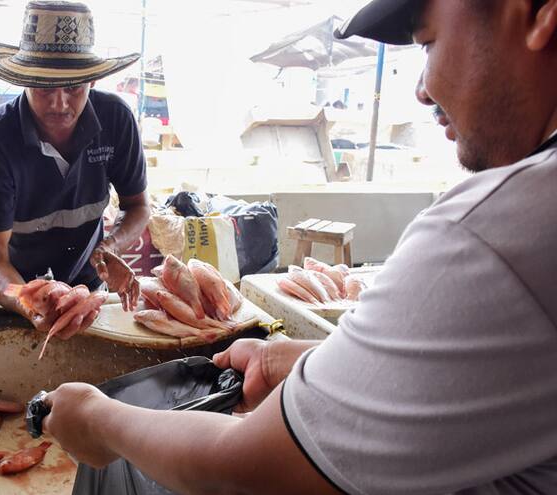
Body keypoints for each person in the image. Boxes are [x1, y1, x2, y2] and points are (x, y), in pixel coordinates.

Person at [41, 0, 557, 494]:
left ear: (536, 13)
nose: (422, 89)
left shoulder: (489, 236)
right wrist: (305, 361)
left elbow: (242, 468)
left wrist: (99, 419)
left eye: (428, 42)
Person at [0, 0, 148, 336]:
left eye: (73, 88)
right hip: (14, 294)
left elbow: (137, 207)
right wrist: (30, 304)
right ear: (24, 81)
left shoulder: (117, 120)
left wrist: (111, 247)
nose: (60, 103)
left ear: (92, 82)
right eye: (45, 88)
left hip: (88, 288)